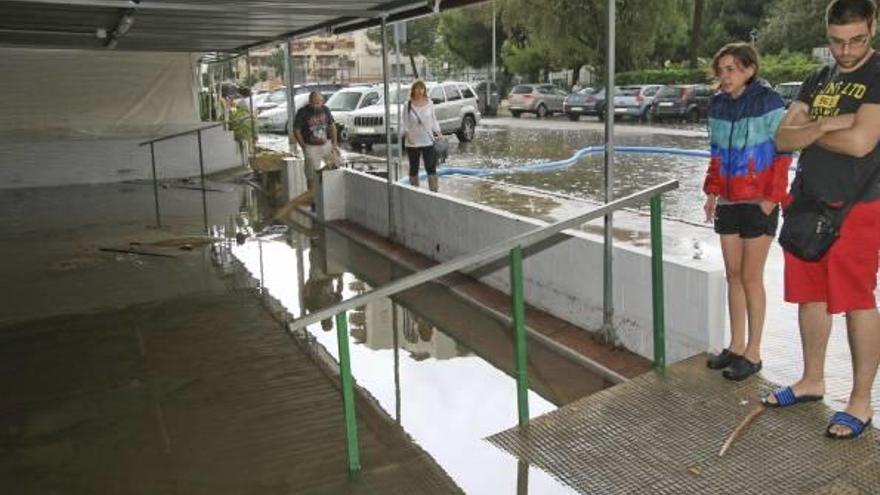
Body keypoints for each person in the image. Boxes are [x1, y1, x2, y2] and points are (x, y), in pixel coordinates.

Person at [772, 0, 880, 440]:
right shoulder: (820, 77)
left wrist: (810, 129)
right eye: (837, 42)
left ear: (873, 28)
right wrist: (826, 125)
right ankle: (812, 380)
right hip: (808, 203)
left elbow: (860, 143)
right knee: (810, 295)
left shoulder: (877, 73)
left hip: (858, 205)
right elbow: (782, 137)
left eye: (857, 39)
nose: (847, 50)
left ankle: (860, 402)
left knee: (857, 299)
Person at [703, 43, 792, 381]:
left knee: (752, 277)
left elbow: (784, 151)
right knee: (733, 275)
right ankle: (736, 345)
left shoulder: (768, 101)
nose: (725, 76)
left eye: (732, 69)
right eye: (721, 70)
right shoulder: (718, 105)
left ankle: (754, 353)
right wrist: (712, 192)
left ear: (749, 69)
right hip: (728, 199)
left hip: (759, 201)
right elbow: (715, 154)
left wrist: (773, 198)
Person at [293, 91, 339, 191]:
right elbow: (296, 130)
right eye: (313, 103)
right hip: (311, 146)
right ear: (309, 101)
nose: (315, 106)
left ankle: (324, 180)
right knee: (311, 174)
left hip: (325, 143)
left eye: (317, 103)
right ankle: (312, 196)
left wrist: (334, 144)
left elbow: (332, 126)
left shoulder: (326, 110)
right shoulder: (303, 112)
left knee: (336, 163)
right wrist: (303, 145)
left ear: (322, 102)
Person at [403, 80, 442, 192]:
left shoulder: (430, 103)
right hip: (412, 143)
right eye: (417, 88)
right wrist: (408, 136)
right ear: (413, 90)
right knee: (414, 169)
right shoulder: (408, 105)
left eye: (422, 88)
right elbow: (405, 124)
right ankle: (415, 192)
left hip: (427, 140)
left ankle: (434, 193)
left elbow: (434, 120)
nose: (419, 91)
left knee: (431, 168)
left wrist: (438, 133)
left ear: (424, 90)